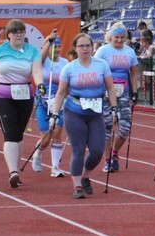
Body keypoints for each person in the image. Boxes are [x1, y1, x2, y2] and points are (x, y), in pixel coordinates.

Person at [0, 19, 44, 188]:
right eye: (15, 32)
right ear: (9, 35)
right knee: (11, 132)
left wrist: (40, 83)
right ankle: (12, 172)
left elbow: (36, 70)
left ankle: (16, 170)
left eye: (21, 31)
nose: (19, 34)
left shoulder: (32, 51)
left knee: (19, 133)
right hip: (3, 95)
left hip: (24, 94)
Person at [49, 33, 118, 199]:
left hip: (96, 112)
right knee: (78, 150)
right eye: (81, 46)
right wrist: (54, 114)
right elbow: (60, 93)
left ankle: (86, 176)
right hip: (74, 112)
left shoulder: (101, 65)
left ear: (92, 47)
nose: (85, 49)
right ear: (75, 49)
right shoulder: (70, 68)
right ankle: (77, 185)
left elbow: (110, 87)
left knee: (97, 151)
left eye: (88, 45)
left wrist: (115, 108)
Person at [95, 24, 141, 173]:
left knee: (125, 128)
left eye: (122, 37)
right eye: (117, 37)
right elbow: (95, 69)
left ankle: (115, 152)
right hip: (106, 92)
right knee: (107, 125)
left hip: (124, 92)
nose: (119, 40)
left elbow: (134, 73)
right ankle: (108, 160)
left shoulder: (130, 52)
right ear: (110, 37)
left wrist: (135, 91)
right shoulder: (103, 51)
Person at [32, 31, 68, 177]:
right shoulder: (43, 61)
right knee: (46, 138)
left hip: (58, 102)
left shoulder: (65, 63)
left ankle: (55, 167)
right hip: (43, 102)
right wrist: (49, 42)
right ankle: (38, 153)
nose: (57, 50)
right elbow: (39, 61)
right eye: (54, 47)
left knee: (57, 134)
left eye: (59, 47)